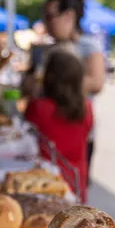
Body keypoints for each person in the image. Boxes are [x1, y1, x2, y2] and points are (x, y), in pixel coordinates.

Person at [23, 0, 105, 182]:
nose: (47, 23)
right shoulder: (44, 48)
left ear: (69, 16)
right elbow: (28, 86)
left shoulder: (88, 46)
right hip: (46, 127)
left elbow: (96, 82)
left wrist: (58, 80)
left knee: (74, 180)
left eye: (51, 16)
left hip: (75, 124)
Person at [25, 49, 93, 203]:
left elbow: (25, 130)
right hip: (77, 176)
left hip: (48, 179)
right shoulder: (86, 107)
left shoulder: (38, 106)